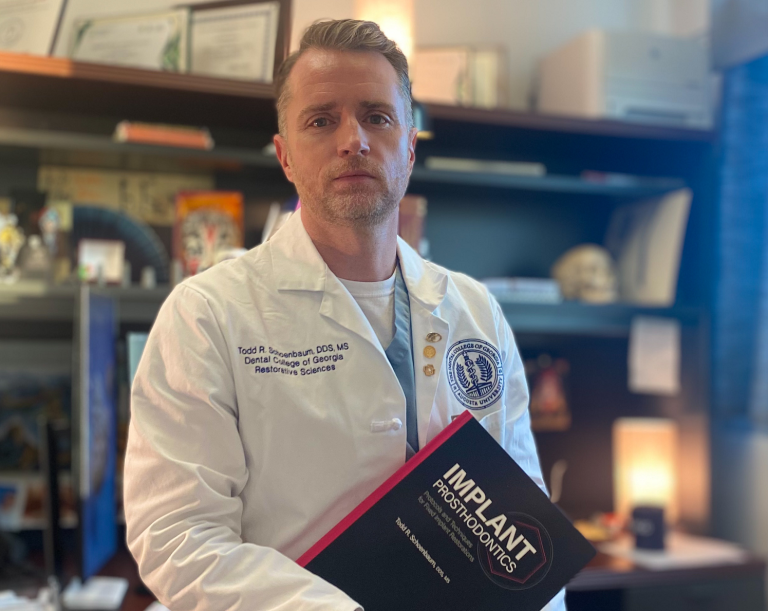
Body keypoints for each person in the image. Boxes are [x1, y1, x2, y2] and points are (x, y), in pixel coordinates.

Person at [124, 18, 566, 611]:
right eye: (321, 119)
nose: (352, 139)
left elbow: (525, 525)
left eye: (377, 117)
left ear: (409, 148)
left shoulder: (475, 311)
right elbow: (177, 536)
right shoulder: (207, 314)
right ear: (284, 155)